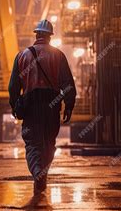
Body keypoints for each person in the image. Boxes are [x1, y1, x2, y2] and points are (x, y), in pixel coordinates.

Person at [8, 19, 76, 195]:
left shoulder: (22, 56)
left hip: (30, 104)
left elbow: (13, 86)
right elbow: (67, 83)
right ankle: (42, 173)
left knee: (33, 143)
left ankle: (38, 172)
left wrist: (14, 104)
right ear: (50, 37)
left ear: (36, 34)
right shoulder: (58, 55)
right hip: (51, 104)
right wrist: (69, 106)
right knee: (48, 143)